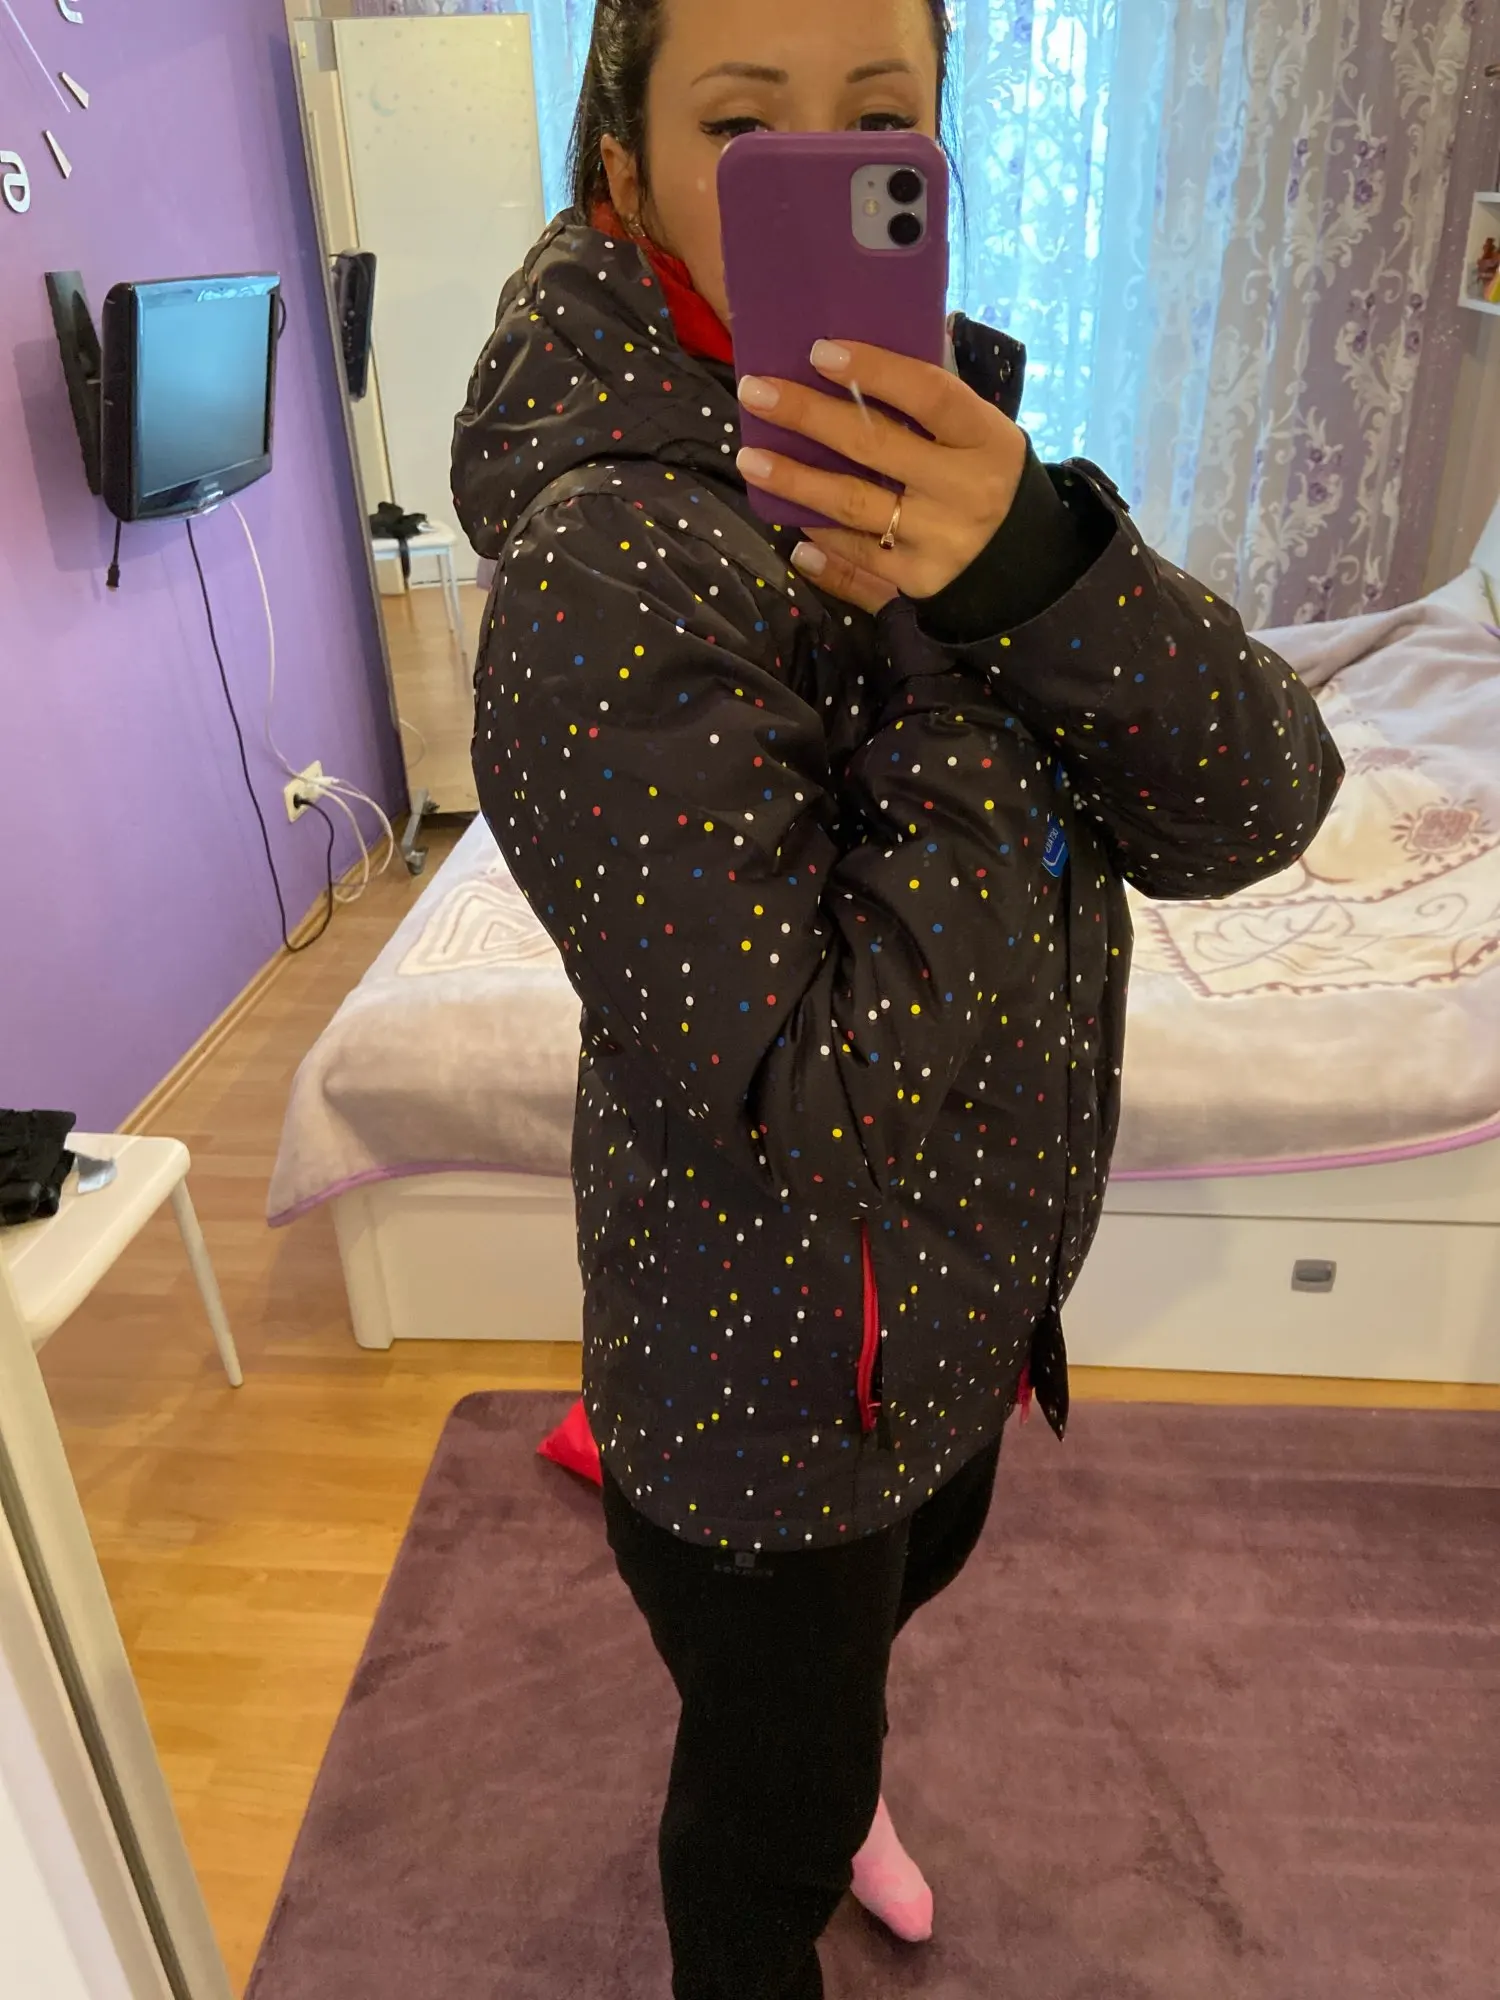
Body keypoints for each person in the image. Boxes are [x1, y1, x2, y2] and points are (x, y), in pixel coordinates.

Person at [452, 3, 1344, 1993]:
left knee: (897, 1606)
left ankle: (835, 1760)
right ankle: (802, 1819)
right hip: (764, 1409)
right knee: (757, 1816)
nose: (818, 161)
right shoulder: (606, 568)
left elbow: (1264, 800)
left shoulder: (959, 471)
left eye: (880, 118)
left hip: (951, 1316)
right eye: (740, 123)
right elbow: (812, 1089)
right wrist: (967, 667)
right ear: (624, 165)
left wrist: (1033, 558)